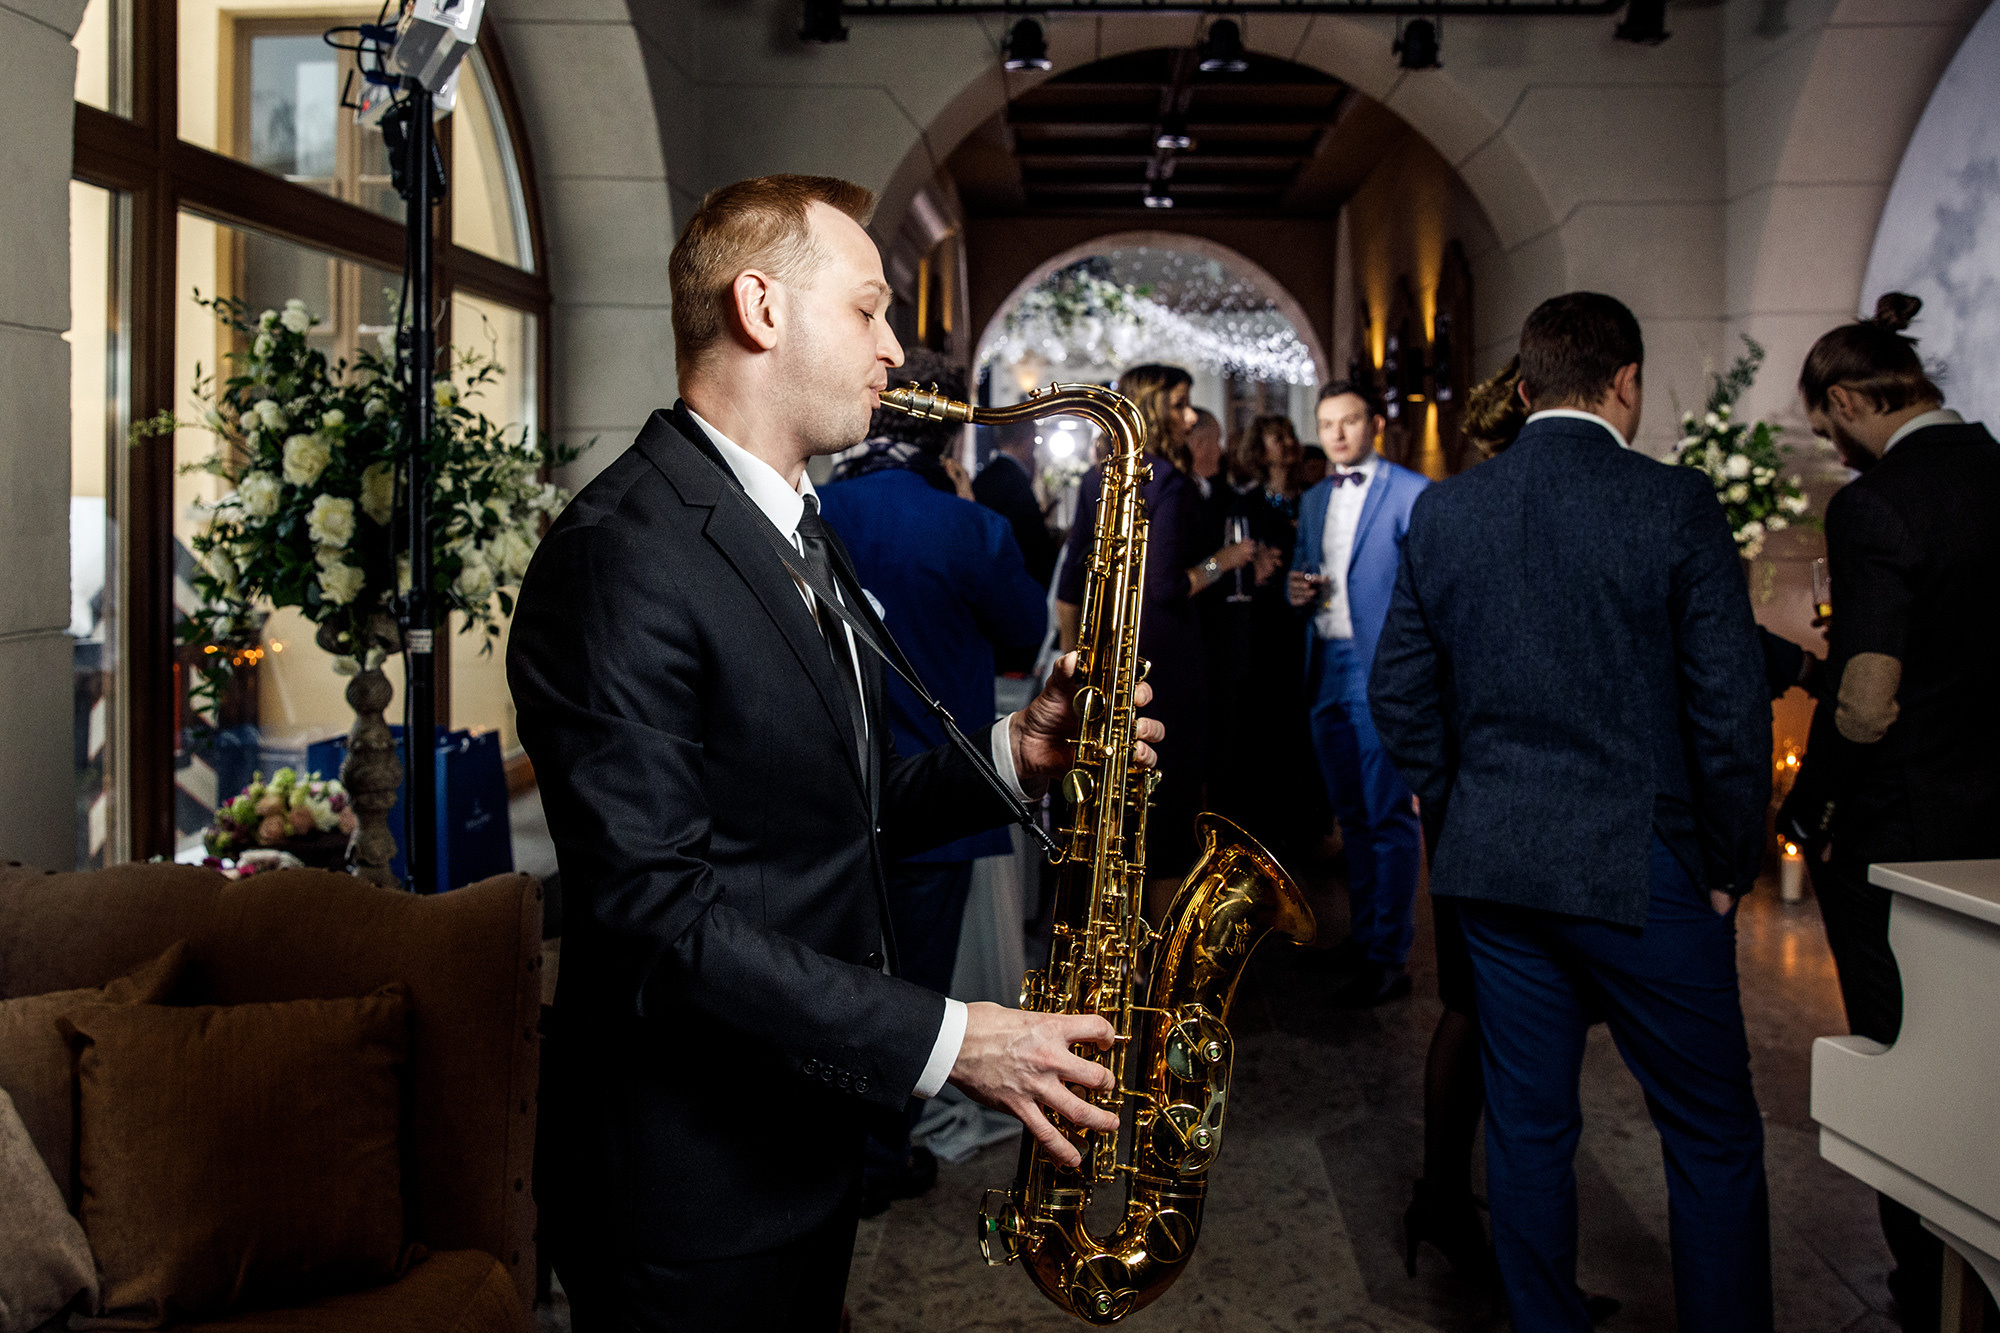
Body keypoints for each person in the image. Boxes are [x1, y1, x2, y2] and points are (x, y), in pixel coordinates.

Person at [508, 174, 1159, 1332]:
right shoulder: (620, 557)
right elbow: (656, 921)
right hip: (687, 1186)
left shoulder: (791, 523)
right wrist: (955, 1037)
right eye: (866, 309)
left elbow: (829, 811)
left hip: (790, 1140)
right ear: (761, 308)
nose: (893, 344)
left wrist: (1015, 751)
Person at [1371, 292, 1773, 1333]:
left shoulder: (1448, 509)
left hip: (1495, 864)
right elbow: (1726, 706)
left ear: (1523, 385)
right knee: (1709, 1135)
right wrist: (1730, 857)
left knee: (1526, 1124)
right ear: (1624, 382)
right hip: (1641, 864)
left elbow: (1399, 698)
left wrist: (1466, 817)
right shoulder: (1671, 503)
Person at [1777, 291, 2000, 1331]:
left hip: (1902, 826)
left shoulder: (1876, 504)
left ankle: (1927, 1283)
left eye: (1826, 432)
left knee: (1902, 1050)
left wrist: (1808, 799)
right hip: (1991, 816)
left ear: (1843, 401)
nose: (1831, 451)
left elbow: (1865, 699)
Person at [817, 352, 1048, 1217]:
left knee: (834, 974)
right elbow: (1025, 630)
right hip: (938, 795)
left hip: (829, 794)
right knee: (913, 988)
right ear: (951, 429)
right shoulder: (968, 525)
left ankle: (834, 1146)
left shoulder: (813, 508)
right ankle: (881, 1156)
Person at [1055, 363, 1256, 881]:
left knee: (1114, 807)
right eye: (1180, 403)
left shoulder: (1097, 477)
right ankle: (1155, 952)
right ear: (1151, 408)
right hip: (1165, 663)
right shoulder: (1166, 480)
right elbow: (1165, 586)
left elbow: (1069, 589)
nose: (1190, 417)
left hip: (1110, 661)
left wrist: (1077, 666)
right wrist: (1223, 563)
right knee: (1166, 808)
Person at [1284, 383, 1429, 1006]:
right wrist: (1294, 593)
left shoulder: (1412, 493)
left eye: (1348, 422)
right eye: (1326, 423)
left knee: (1388, 816)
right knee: (1352, 819)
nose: (1337, 434)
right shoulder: (1314, 498)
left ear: (1374, 423)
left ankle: (1391, 957)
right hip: (1326, 668)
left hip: (1384, 674)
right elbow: (1302, 573)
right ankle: (1365, 939)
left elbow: (1429, 590)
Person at [1203, 414, 1312, 855]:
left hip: (1301, 626)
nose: (1287, 442)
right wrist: (1259, 568)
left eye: (1289, 434)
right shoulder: (1247, 506)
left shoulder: (1310, 500)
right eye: (1277, 437)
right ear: (1259, 449)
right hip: (1264, 628)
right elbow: (1238, 568)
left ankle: (1297, 828)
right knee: (1262, 728)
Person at [972, 418, 1060, 590]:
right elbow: (1034, 546)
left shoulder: (983, 477)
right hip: (1013, 584)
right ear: (1027, 438)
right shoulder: (1016, 482)